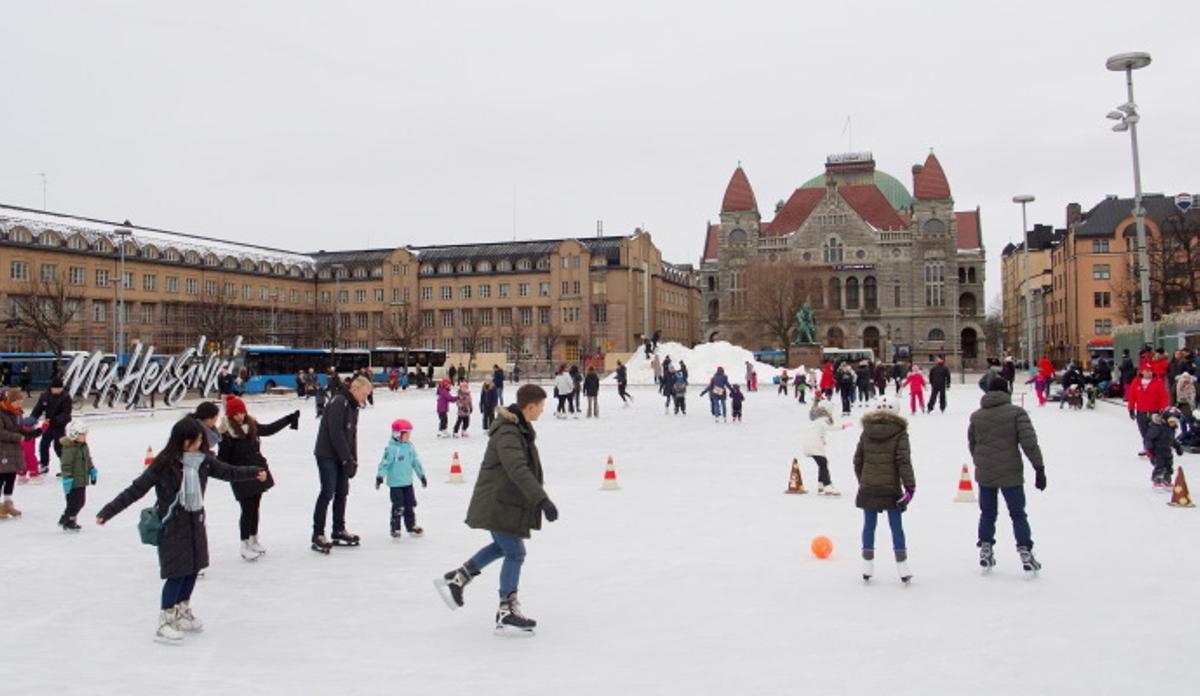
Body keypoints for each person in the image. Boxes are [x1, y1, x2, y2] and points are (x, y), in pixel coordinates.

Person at [96, 417, 266, 643]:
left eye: (199, 441)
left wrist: (253, 471)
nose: (198, 445)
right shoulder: (164, 463)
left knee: (193, 569)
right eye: (194, 441)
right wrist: (108, 511)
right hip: (172, 525)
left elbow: (228, 472)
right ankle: (166, 619)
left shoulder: (202, 461)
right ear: (182, 441)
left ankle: (182, 610)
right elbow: (136, 489)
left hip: (195, 522)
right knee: (176, 573)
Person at [436, 384, 557, 634]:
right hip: (496, 502)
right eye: (541, 407)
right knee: (515, 552)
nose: (542, 412)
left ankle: (458, 578)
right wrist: (541, 500)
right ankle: (506, 608)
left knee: (504, 547)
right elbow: (518, 469)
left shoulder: (519, 429)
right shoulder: (509, 433)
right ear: (530, 406)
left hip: (502, 501)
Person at [968, 376, 1047, 573]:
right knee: (1018, 514)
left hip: (985, 473)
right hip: (1011, 472)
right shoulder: (1016, 413)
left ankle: (985, 548)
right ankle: (1025, 551)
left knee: (987, 513)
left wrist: (981, 462)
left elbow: (972, 443)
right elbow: (1029, 443)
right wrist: (1039, 468)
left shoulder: (977, 416)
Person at [218, 396, 299, 560]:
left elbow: (269, 429)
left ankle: (254, 539)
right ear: (230, 416)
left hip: (257, 472)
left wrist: (289, 419)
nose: (240, 416)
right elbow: (223, 460)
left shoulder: (252, 426)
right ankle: (244, 543)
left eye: (242, 412)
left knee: (255, 506)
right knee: (247, 508)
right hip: (240, 475)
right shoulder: (227, 435)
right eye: (236, 414)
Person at [854, 396, 915, 583]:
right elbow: (903, 461)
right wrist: (910, 487)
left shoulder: (866, 431)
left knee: (869, 526)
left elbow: (858, 460)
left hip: (869, 486)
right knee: (896, 526)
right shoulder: (900, 432)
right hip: (891, 488)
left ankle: (867, 566)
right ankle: (903, 568)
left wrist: (863, 480)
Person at [311, 374, 371, 553]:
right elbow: (335, 433)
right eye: (364, 394)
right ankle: (318, 533)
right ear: (355, 389)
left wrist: (353, 460)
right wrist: (346, 458)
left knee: (342, 492)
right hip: (327, 453)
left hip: (342, 455)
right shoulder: (339, 401)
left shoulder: (353, 407)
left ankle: (338, 529)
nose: (365, 398)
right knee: (328, 491)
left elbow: (351, 436)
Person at [376, 419, 427, 538]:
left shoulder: (409, 447)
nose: (409, 436)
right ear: (397, 434)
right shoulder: (391, 449)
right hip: (395, 484)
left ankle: (411, 526)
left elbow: (415, 462)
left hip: (408, 483)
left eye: (409, 434)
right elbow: (384, 464)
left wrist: (421, 475)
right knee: (398, 506)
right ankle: (395, 528)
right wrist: (380, 476)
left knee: (410, 504)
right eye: (406, 434)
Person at [0, 389, 40, 519]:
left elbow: (21, 430)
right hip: (3, 450)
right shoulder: (1, 413)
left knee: (11, 476)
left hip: (14, 450)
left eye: (21, 402)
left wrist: (34, 433)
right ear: (10, 401)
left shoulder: (17, 413)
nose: (19, 404)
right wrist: (18, 437)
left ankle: (7, 504)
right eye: (17, 402)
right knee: (1, 477)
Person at [57, 421, 96, 532]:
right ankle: (68, 521)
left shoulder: (83, 446)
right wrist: (67, 479)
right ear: (73, 434)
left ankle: (67, 519)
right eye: (82, 434)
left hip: (81, 480)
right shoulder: (70, 449)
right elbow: (66, 465)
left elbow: (88, 459)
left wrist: (92, 469)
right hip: (73, 481)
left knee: (80, 502)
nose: (85, 436)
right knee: (74, 503)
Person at [802, 403, 846, 496]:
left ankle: (821, 484)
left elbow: (816, 432)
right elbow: (829, 427)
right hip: (815, 446)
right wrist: (842, 427)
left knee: (822, 463)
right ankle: (827, 485)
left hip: (809, 445)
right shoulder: (823, 420)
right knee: (823, 464)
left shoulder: (815, 421)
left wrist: (822, 439)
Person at [30, 378, 72, 475]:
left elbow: (66, 414)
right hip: (48, 425)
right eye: (55, 388)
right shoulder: (45, 396)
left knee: (59, 447)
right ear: (51, 388)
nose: (57, 390)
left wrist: (55, 420)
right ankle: (44, 465)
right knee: (44, 445)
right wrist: (32, 419)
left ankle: (66, 467)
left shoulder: (66, 397)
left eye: (59, 389)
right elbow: (38, 409)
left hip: (59, 426)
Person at [1127, 363, 1168, 454]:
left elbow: (1163, 397)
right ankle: (1147, 447)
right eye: (1146, 371)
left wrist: (1163, 409)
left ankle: (1155, 448)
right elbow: (1132, 397)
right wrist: (1131, 409)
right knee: (1143, 430)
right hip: (1141, 411)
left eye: (1150, 371)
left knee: (1154, 431)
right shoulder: (1136, 382)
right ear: (1142, 372)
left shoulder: (1158, 382)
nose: (1149, 373)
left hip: (1154, 411)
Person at [1144, 407, 1183, 491]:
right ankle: (1157, 481)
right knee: (1160, 466)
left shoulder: (1171, 429)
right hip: (1157, 451)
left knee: (1169, 466)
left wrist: (1177, 447)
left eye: (1175, 422)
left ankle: (1166, 480)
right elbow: (1148, 438)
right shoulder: (1157, 427)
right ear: (1165, 419)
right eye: (1171, 421)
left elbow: (1172, 440)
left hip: (1167, 451)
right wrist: (1149, 448)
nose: (1173, 423)